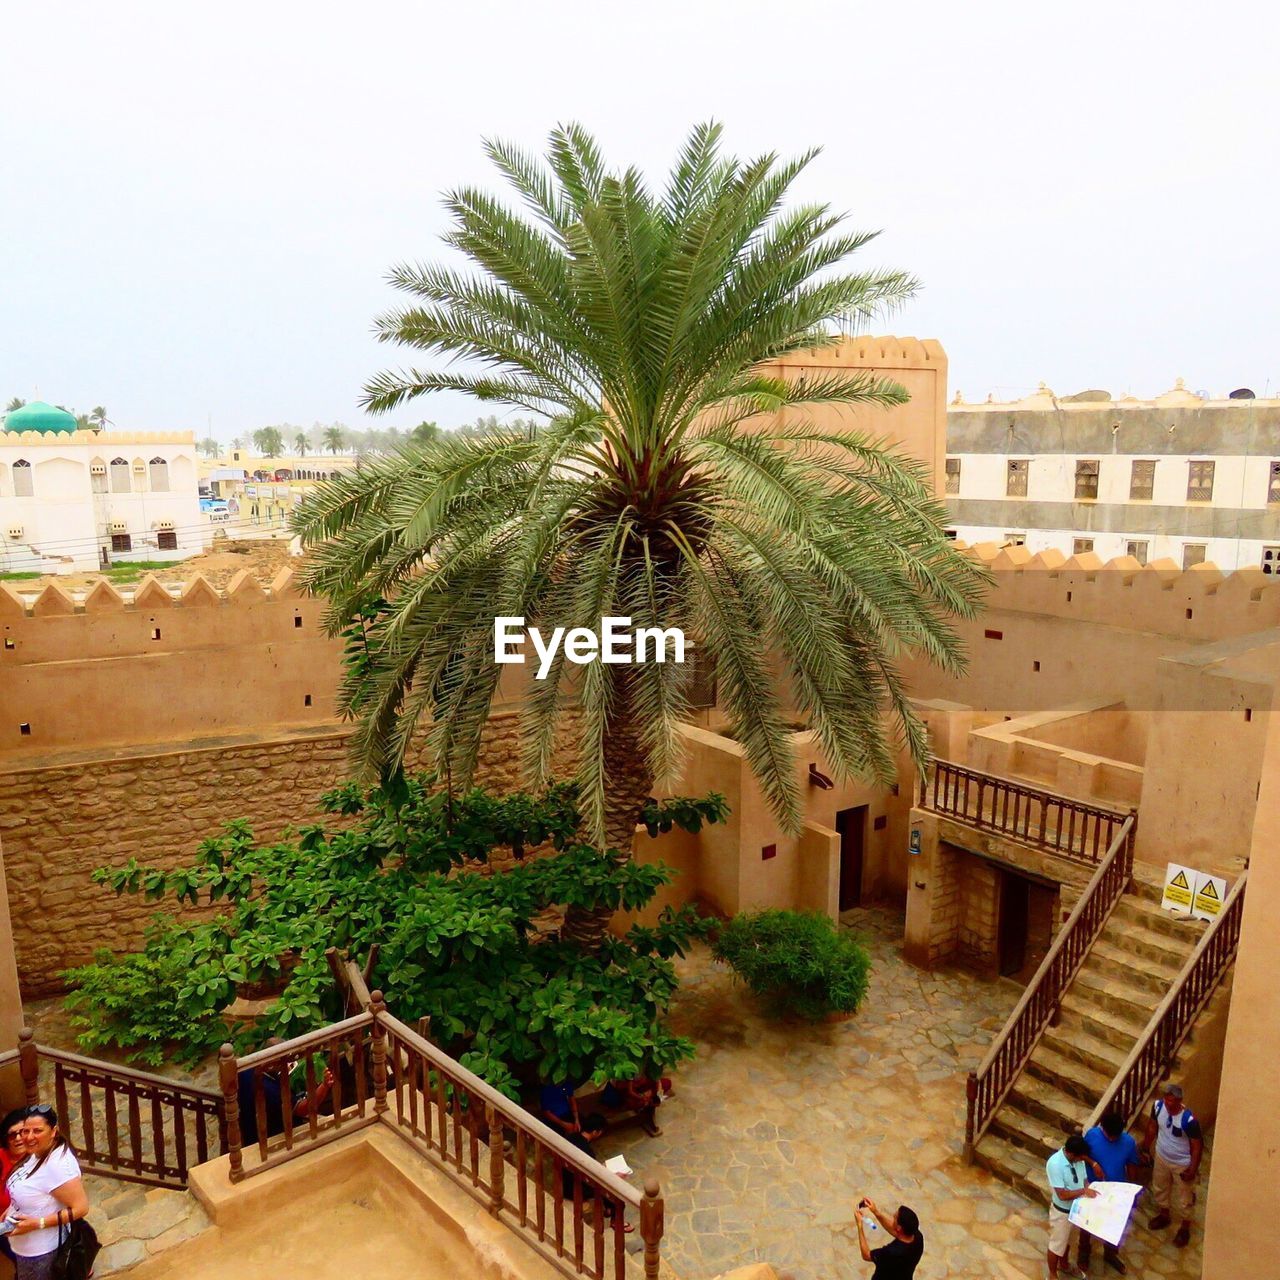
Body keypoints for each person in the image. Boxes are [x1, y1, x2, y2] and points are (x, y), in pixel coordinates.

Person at [5, 1104, 91, 1279]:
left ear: (53, 1131)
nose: (28, 1137)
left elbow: (81, 1208)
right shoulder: (38, 1152)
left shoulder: (58, 1167)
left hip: (43, 1253)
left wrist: (37, 1223)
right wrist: (10, 1210)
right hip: (26, 1248)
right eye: (25, 1131)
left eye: (37, 1131)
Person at [1079, 1112, 1142, 1274]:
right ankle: (1084, 1252)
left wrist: (1132, 1190)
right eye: (1109, 1135)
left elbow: (1132, 1165)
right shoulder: (1092, 1135)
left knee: (1114, 1225)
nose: (1113, 1139)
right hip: (1093, 1190)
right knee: (1086, 1224)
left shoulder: (1129, 1142)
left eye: (1116, 1136)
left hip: (1116, 1192)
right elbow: (1081, 1154)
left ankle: (1110, 1254)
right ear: (1103, 1129)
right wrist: (1093, 1164)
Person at [237, 1042, 335, 1147]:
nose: (289, 1064)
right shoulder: (272, 1091)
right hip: (275, 1141)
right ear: (272, 1063)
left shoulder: (245, 1071)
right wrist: (324, 1085)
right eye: (285, 1061)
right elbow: (304, 1108)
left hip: (249, 1136)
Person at [1141, 1083, 1202, 1248]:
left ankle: (1185, 1227)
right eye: (1166, 1101)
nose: (1168, 1105)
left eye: (1172, 1102)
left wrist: (1192, 1169)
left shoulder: (1189, 1121)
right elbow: (1153, 1127)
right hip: (1162, 1156)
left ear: (1180, 1101)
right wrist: (1146, 1147)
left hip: (1181, 1163)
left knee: (1185, 1197)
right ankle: (1164, 1214)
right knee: (1160, 1187)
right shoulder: (1158, 1107)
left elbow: (1196, 1146)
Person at [1046, 1134, 1099, 1279]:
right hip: (1061, 1213)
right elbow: (1062, 1194)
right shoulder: (1055, 1164)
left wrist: (1088, 1188)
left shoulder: (1078, 1160)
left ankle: (1064, 1265)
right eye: (1080, 1157)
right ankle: (1052, 1274)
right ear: (1071, 1153)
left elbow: (1084, 1180)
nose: (1082, 1160)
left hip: (1076, 1211)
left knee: (1068, 1242)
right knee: (1057, 1245)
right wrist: (1084, 1191)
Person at [854, 1197, 923, 1278]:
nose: (893, 1217)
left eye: (895, 1218)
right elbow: (895, 1230)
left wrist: (859, 1225)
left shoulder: (892, 1252)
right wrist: (876, 1212)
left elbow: (866, 1255)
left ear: (899, 1228)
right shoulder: (917, 1238)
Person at [0, 1110, 29, 1264]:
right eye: (12, 1135)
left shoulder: (38, 1156)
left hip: (36, 1220)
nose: (18, 1138)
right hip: (5, 1227)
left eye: (22, 1132)